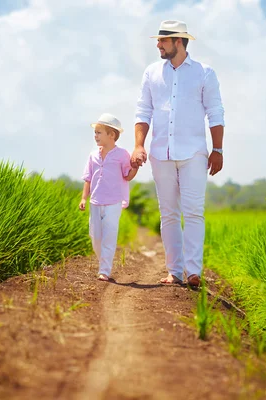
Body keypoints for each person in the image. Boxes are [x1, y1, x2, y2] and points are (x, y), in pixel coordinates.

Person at [131, 20, 225, 289]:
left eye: (163, 41)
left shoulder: (204, 73)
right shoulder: (151, 73)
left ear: (179, 42)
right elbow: (143, 112)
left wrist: (217, 149)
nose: (158, 45)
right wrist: (139, 145)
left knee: (194, 212)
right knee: (169, 214)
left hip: (194, 153)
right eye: (159, 41)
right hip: (161, 154)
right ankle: (175, 271)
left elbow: (215, 113)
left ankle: (193, 271)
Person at [79, 113, 138, 281]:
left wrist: (136, 167)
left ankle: (104, 270)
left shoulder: (122, 154)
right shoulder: (93, 156)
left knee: (109, 235)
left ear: (111, 135)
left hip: (114, 202)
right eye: (95, 132)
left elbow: (127, 175)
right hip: (95, 202)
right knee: (95, 236)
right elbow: (88, 178)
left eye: (99, 132)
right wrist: (84, 198)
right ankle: (103, 260)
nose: (95, 136)